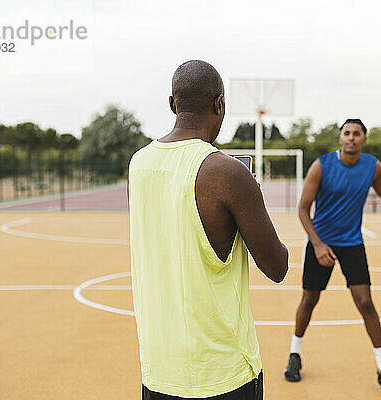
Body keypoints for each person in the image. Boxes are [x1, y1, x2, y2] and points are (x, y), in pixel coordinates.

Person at [128, 60, 288, 400]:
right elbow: (277, 267)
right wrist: (249, 198)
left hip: (158, 371)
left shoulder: (138, 164)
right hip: (222, 372)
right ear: (220, 105)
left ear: (172, 104)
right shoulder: (226, 172)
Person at [284, 119, 381, 396]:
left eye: (356, 134)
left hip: (351, 244)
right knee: (309, 300)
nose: (351, 138)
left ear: (363, 140)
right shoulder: (321, 166)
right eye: (347, 133)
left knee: (366, 302)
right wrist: (318, 245)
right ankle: (294, 354)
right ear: (340, 138)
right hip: (320, 242)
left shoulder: (372, 166)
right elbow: (302, 209)